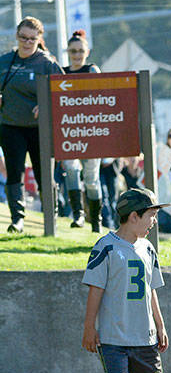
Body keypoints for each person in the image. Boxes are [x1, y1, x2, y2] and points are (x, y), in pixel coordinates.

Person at [81, 188, 169, 373]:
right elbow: (96, 289)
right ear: (133, 216)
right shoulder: (106, 246)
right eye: (151, 216)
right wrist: (89, 327)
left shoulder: (148, 248)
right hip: (113, 335)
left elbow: (151, 290)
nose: (153, 221)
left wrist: (160, 324)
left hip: (144, 335)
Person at [1, 17, 63, 232]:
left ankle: (50, 217)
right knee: (14, 172)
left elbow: (65, 93)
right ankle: (17, 219)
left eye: (32, 39)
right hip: (10, 124)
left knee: (44, 173)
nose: (27, 43)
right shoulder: (5, 61)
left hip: (40, 129)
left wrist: (45, 105)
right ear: (17, 37)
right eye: (23, 38)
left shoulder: (46, 63)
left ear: (39, 39)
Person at [60, 30, 104, 230]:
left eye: (80, 51)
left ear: (87, 52)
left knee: (92, 178)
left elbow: (102, 94)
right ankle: (77, 214)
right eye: (73, 51)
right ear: (68, 52)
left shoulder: (91, 70)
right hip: (70, 131)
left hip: (92, 130)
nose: (76, 55)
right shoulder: (62, 73)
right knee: (70, 169)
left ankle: (96, 219)